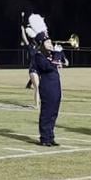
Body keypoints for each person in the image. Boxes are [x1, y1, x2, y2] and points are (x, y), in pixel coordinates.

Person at [28, 13, 61, 146]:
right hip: (47, 86)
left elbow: (62, 62)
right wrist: (56, 56)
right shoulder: (38, 55)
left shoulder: (50, 54)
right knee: (47, 112)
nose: (50, 43)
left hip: (56, 86)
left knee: (54, 112)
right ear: (42, 43)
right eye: (47, 42)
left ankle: (51, 136)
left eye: (50, 41)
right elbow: (47, 67)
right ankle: (44, 138)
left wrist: (58, 53)